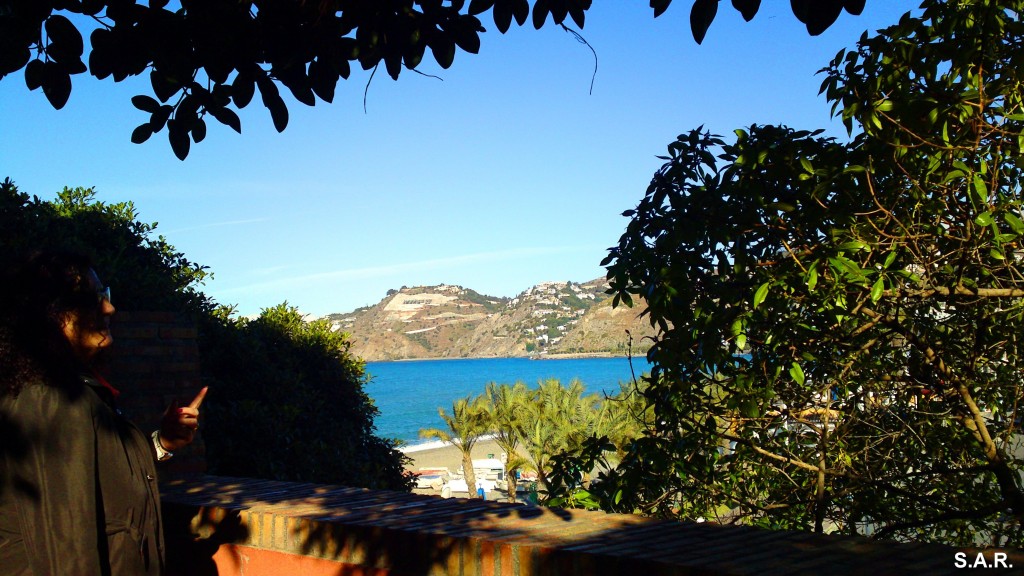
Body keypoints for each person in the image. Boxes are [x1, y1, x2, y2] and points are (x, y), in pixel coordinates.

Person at [0, 250, 206, 576]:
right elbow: (65, 548)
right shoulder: (51, 400)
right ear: (57, 316)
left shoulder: (73, 389)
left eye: (105, 295)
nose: (109, 307)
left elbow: (99, 472)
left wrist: (162, 442)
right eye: (96, 298)